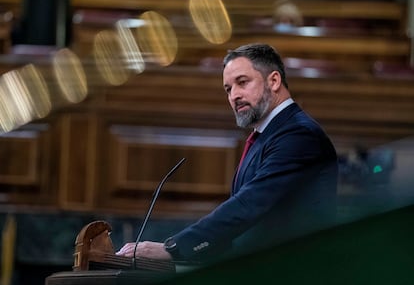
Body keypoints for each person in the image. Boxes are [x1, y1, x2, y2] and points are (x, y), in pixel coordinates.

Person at [116, 43, 338, 264]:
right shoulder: (268, 135)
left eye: (242, 82)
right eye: (228, 89)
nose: (234, 96)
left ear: (274, 81)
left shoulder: (298, 134)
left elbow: (248, 205)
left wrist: (175, 248)